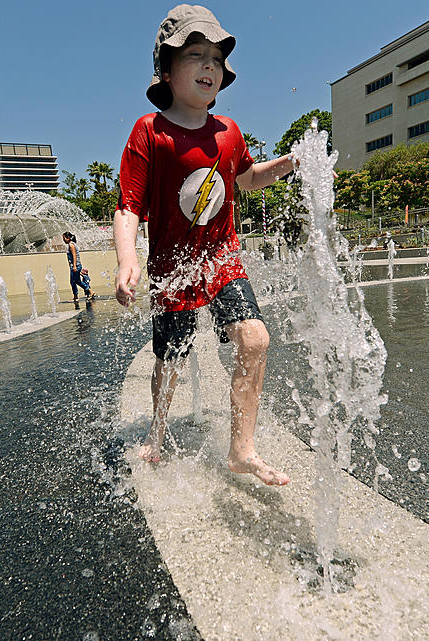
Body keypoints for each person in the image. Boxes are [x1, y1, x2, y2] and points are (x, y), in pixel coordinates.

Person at [113, 5, 296, 486]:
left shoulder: (229, 132)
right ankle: (157, 429)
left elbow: (246, 179)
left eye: (217, 57)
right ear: (167, 71)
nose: (210, 65)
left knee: (255, 339)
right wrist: (128, 259)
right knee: (170, 359)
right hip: (173, 268)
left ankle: (242, 448)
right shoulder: (149, 133)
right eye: (196, 54)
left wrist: (291, 163)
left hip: (221, 261)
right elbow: (129, 206)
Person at [62, 232, 93, 301]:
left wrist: (74, 266)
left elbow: (74, 256)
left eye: (64, 238)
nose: (63, 240)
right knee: (77, 281)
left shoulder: (71, 245)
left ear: (68, 238)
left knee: (73, 281)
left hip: (75, 266)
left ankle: (86, 292)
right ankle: (86, 292)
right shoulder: (72, 244)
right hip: (76, 265)